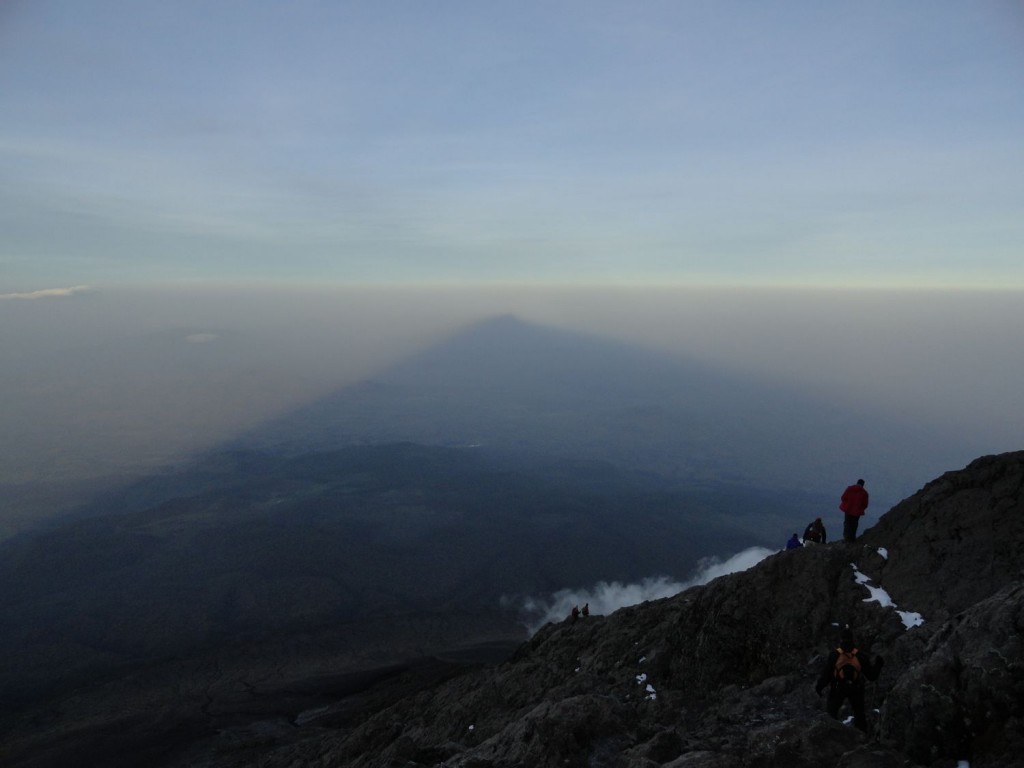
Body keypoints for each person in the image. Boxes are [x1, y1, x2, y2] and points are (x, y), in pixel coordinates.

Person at [815, 626, 884, 732]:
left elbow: (827, 674)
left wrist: (819, 687)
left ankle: (832, 736)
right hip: (856, 688)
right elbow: (871, 676)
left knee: (831, 712)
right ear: (852, 639)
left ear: (841, 639)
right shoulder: (860, 655)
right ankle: (862, 737)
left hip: (838, 687)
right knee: (859, 714)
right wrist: (879, 664)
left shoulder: (834, 655)